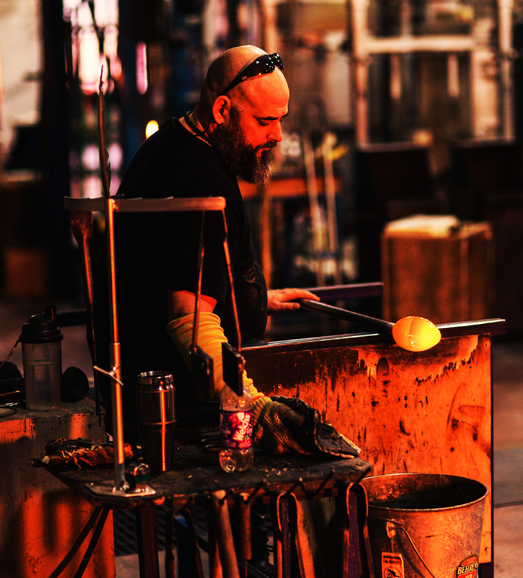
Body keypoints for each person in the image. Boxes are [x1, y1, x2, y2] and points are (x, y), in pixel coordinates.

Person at [95, 45, 323, 449]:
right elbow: (189, 322)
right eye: (265, 121)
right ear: (222, 111)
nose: (277, 136)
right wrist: (250, 402)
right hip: (181, 409)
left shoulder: (171, 142)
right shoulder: (199, 182)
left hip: (151, 393)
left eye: (281, 121)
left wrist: (251, 297)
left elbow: (168, 268)